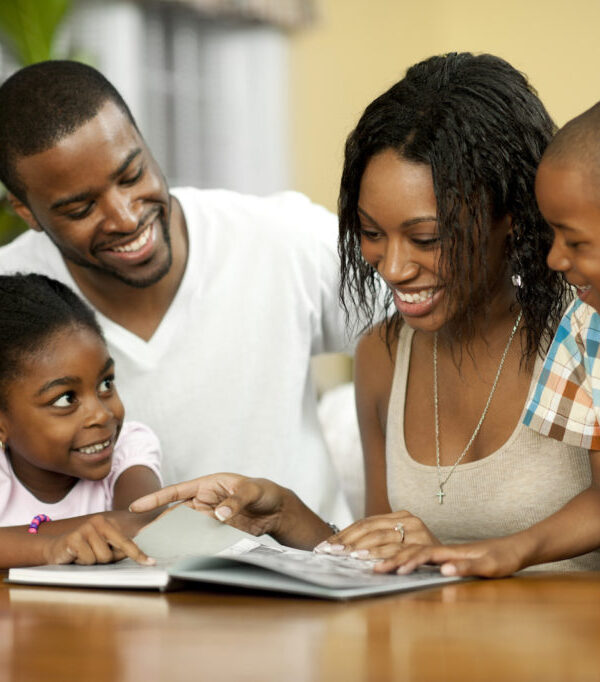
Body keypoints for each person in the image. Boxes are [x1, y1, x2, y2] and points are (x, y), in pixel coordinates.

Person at [131, 52, 600, 575]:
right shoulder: (383, 355)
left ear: (511, 216)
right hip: (439, 654)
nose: (394, 267)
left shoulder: (585, 331)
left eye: (427, 238)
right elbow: (379, 559)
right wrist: (284, 513)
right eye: (372, 233)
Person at [0, 60, 353, 528]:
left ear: (145, 143)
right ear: (27, 211)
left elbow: (434, 330)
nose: (125, 218)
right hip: (105, 593)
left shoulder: (281, 238)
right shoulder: (10, 296)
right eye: (82, 208)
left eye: (131, 175)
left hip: (309, 576)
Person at [0, 273, 162, 568]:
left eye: (106, 384)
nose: (101, 414)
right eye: (65, 399)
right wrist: (50, 549)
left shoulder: (128, 447)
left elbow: (144, 523)